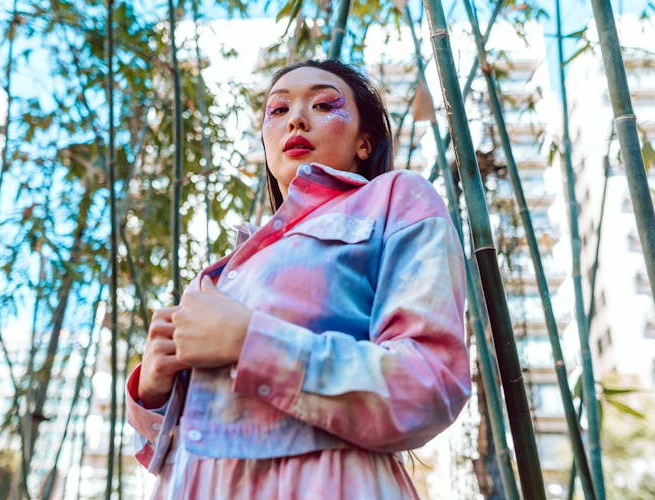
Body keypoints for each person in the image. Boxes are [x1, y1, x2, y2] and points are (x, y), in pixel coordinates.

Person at [126, 59, 471, 499]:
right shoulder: (220, 273)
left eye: (325, 104)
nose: (297, 120)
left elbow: (429, 386)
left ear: (365, 143)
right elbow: (176, 449)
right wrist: (152, 390)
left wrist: (250, 341)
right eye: (278, 110)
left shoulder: (396, 199)